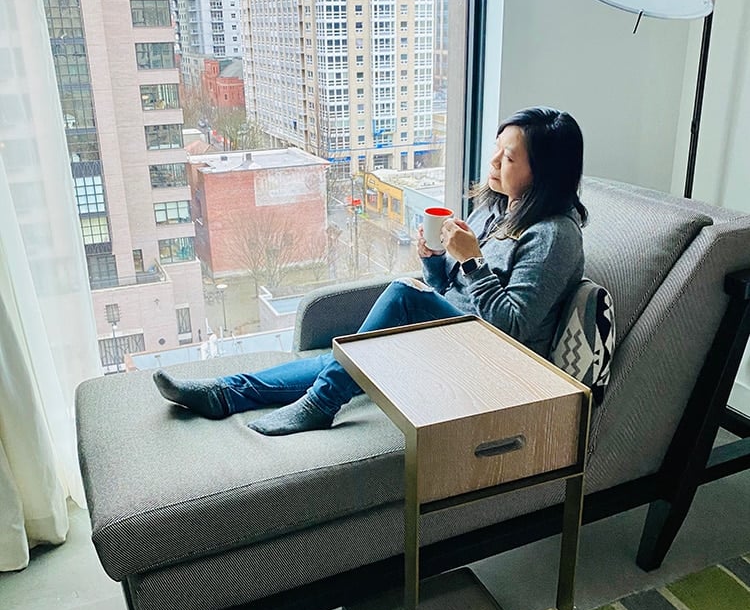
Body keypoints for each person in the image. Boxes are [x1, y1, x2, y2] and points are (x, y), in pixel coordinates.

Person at [153, 107, 587, 435]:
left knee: (400, 297)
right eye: (496, 149)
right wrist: (436, 260)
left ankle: (321, 405)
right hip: (455, 335)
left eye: (508, 158)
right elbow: (448, 291)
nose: (493, 162)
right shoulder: (495, 212)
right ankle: (225, 393)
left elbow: (510, 328)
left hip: (491, 359)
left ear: (543, 173)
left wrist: (471, 261)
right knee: (345, 357)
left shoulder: (553, 236)